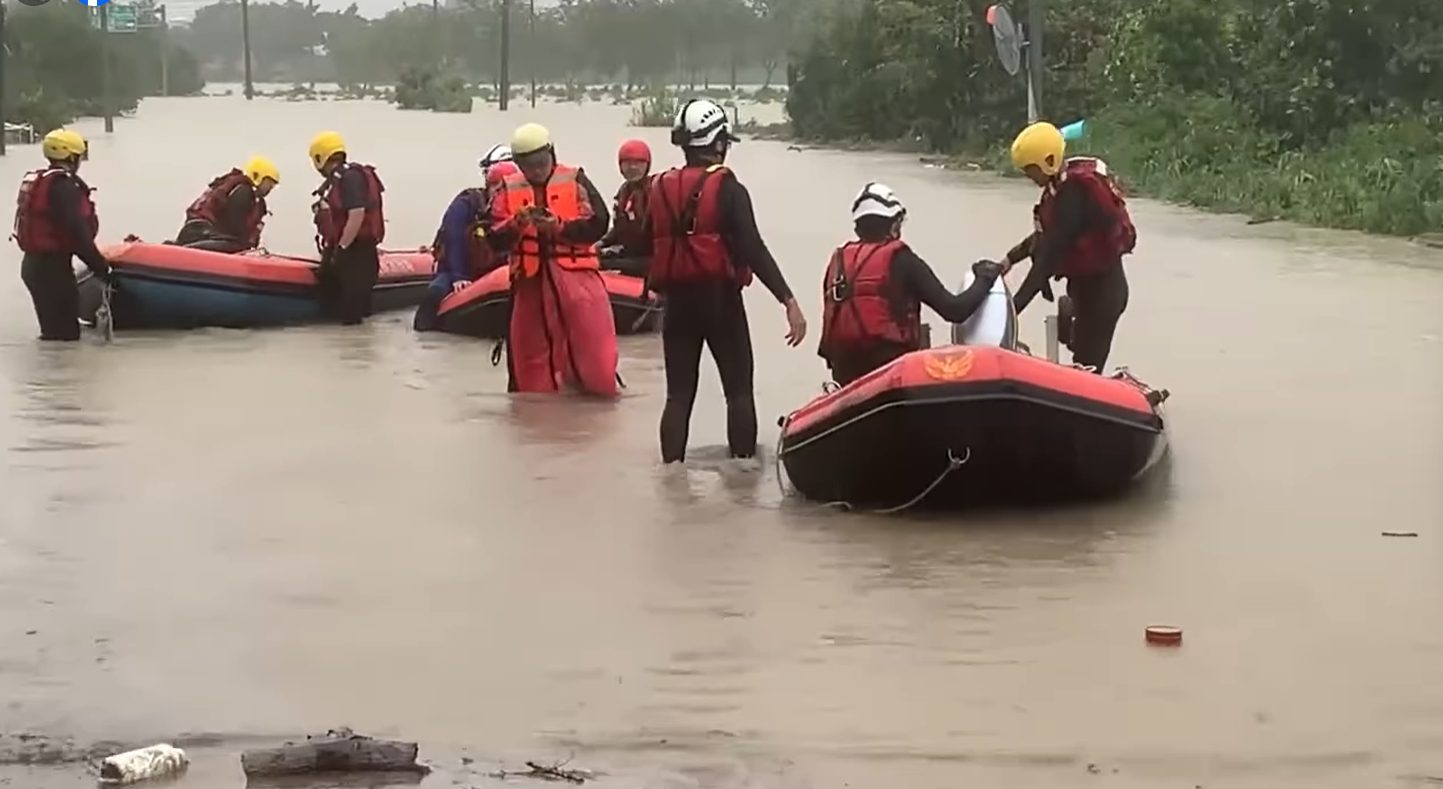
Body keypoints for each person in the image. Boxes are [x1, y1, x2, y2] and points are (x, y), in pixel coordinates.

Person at [640, 97, 807, 464]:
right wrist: (788, 300)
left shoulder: (660, 187)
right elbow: (753, 248)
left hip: (676, 304)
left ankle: (671, 477)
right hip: (720, 301)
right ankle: (743, 478)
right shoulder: (730, 189)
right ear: (717, 143)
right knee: (738, 391)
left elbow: (646, 240)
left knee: (678, 396)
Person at [818, 183, 1007, 386]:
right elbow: (955, 310)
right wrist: (984, 277)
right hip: (890, 371)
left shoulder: (837, 263)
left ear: (858, 227)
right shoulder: (902, 260)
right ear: (894, 225)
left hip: (844, 374)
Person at [484, 122, 618, 397]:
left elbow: (599, 223)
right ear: (519, 163)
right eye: (528, 164)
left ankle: (597, 405)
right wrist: (518, 224)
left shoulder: (575, 180)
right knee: (528, 363)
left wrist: (558, 226)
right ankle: (538, 422)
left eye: (541, 161)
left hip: (576, 279)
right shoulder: (506, 190)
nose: (536, 169)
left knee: (596, 356)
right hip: (530, 282)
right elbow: (493, 237)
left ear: (551, 154)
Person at [1005, 121, 1137, 371]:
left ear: (1048, 161)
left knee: (1088, 365)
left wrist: (1012, 309)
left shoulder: (1074, 194)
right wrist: (1009, 260)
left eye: (1030, 169)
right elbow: (1043, 238)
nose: (1028, 176)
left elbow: (1050, 257)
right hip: (1082, 288)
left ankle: (1071, 320)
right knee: (1080, 350)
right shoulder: (1059, 187)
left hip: (1104, 295)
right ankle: (1070, 316)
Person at [13, 128, 112, 342]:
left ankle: (48, 374)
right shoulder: (63, 187)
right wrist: (100, 266)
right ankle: (59, 374)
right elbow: (76, 233)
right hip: (52, 271)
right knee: (65, 337)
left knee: (53, 337)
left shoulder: (45, 180)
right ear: (72, 156)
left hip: (35, 266)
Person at [413, 159, 519, 332]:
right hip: (459, 270)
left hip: (496, 271)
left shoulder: (518, 209)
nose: (504, 194)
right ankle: (423, 333)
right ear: (490, 186)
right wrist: (459, 276)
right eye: (500, 188)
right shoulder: (467, 204)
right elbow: (454, 239)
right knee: (434, 293)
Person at [308, 130, 386, 326]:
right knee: (342, 310)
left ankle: (353, 353)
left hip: (357, 253)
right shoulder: (342, 178)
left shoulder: (350, 178)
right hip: (355, 251)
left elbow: (356, 214)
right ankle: (351, 352)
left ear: (321, 157)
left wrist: (341, 249)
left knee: (352, 315)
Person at [175, 156, 279, 252]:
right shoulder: (243, 191)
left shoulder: (244, 192)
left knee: (238, 246)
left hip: (200, 232)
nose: (270, 188)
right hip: (202, 231)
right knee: (236, 247)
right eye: (268, 183)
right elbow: (235, 225)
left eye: (272, 185)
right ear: (257, 176)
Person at [597, 138, 652, 277]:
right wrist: (601, 242)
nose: (632, 167)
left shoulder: (654, 191)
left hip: (649, 259)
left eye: (638, 163)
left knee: (603, 264)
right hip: (629, 254)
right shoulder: (624, 191)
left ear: (647, 165)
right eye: (627, 163)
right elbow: (619, 229)